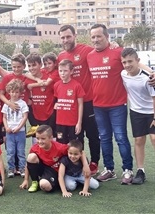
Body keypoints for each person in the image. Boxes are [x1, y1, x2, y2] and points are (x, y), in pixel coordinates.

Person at [86, 24, 134, 184]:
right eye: (93, 37)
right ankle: (109, 169)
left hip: (117, 104)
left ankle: (128, 170)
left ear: (107, 37)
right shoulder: (90, 56)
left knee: (120, 137)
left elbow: (133, 63)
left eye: (98, 36)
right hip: (98, 105)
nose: (95, 39)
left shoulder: (118, 52)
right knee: (104, 138)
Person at [58, 25, 100, 175]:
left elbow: (101, 54)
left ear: (75, 35)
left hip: (88, 101)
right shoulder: (61, 56)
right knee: (77, 135)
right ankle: (78, 164)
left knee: (92, 134)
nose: (65, 40)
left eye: (68, 36)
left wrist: (113, 45)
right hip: (70, 105)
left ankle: (94, 162)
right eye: (62, 37)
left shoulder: (87, 50)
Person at [19, 125, 90, 193]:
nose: (40, 141)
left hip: (57, 170)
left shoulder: (60, 147)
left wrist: (85, 165)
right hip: (45, 169)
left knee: (45, 185)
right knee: (31, 157)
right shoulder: (34, 148)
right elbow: (28, 164)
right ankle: (35, 182)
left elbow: (80, 151)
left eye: (43, 138)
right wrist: (26, 179)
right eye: (37, 138)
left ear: (51, 138)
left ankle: (59, 182)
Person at [120, 48, 155, 184]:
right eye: (124, 62)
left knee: (153, 139)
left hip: (151, 111)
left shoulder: (148, 77)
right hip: (136, 112)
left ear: (138, 61)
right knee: (139, 140)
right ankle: (141, 171)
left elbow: (154, 98)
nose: (127, 65)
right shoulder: (123, 74)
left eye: (130, 61)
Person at [24, 52, 56, 141]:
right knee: (37, 144)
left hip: (50, 115)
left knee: (52, 143)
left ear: (41, 65)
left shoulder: (48, 75)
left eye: (34, 65)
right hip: (35, 116)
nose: (31, 68)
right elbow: (25, 75)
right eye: (29, 66)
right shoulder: (27, 79)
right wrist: (37, 81)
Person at [1, 79, 28, 178]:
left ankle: (22, 168)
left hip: (20, 132)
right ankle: (11, 169)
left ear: (20, 92)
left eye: (17, 92)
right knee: (10, 152)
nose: (14, 94)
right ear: (9, 92)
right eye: (12, 92)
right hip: (9, 133)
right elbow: (4, 117)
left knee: (21, 151)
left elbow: (25, 117)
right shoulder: (6, 104)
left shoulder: (23, 103)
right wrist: (7, 127)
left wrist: (19, 127)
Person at [53, 59, 85, 144]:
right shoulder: (56, 85)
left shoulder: (77, 86)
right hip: (60, 122)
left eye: (65, 71)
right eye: (60, 71)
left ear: (71, 71)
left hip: (72, 123)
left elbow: (80, 105)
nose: (62, 73)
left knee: (74, 147)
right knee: (61, 145)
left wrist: (79, 122)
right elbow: (57, 101)